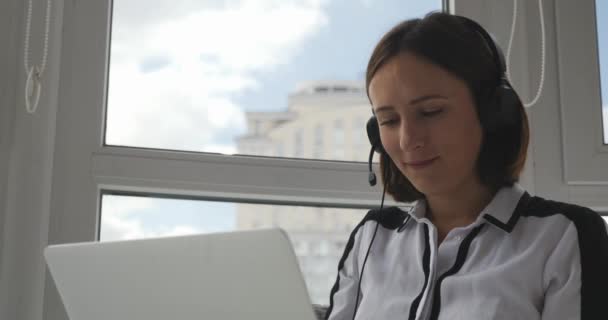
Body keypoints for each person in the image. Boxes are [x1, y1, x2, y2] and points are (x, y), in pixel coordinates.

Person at [324, 11, 608, 320]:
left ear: (493, 113)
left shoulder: (562, 237)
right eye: (389, 120)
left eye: (431, 112)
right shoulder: (372, 236)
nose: (407, 140)